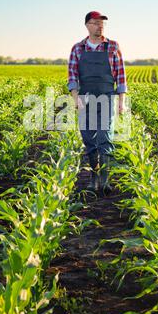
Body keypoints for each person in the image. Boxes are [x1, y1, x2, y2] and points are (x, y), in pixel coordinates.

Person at [68, 11, 127, 194]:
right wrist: (76, 97)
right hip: (86, 99)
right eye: (95, 23)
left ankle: (105, 180)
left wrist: (121, 102)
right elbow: (72, 75)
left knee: (105, 138)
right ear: (87, 25)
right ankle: (93, 178)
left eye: (102, 23)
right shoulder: (78, 48)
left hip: (107, 97)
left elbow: (121, 75)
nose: (100, 26)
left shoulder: (113, 47)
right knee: (89, 139)